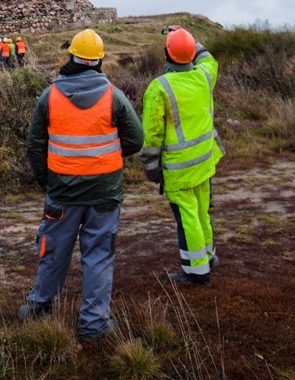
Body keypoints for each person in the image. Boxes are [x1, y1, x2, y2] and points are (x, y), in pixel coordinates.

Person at [19, 29, 144, 344]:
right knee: (99, 256)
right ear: (99, 60)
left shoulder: (50, 96)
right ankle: (93, 324)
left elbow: (35, 145)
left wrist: (47, 181)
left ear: (71, 56)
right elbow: (136, 139)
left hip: (62, 192)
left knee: (53, 251)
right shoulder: (114, 95)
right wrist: (108, 158)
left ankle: (39, 308)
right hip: (105, 192)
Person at [140, 25, 224, 285]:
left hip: (179, 170)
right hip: (205, 161)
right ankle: (208, 257)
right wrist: (186, 35)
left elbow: (152, 138)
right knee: (201, 212)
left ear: (166, 54)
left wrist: (152, 170)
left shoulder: (159, 88)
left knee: (187, 217)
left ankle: (196, 271)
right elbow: (208, 58)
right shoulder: (204, 76)